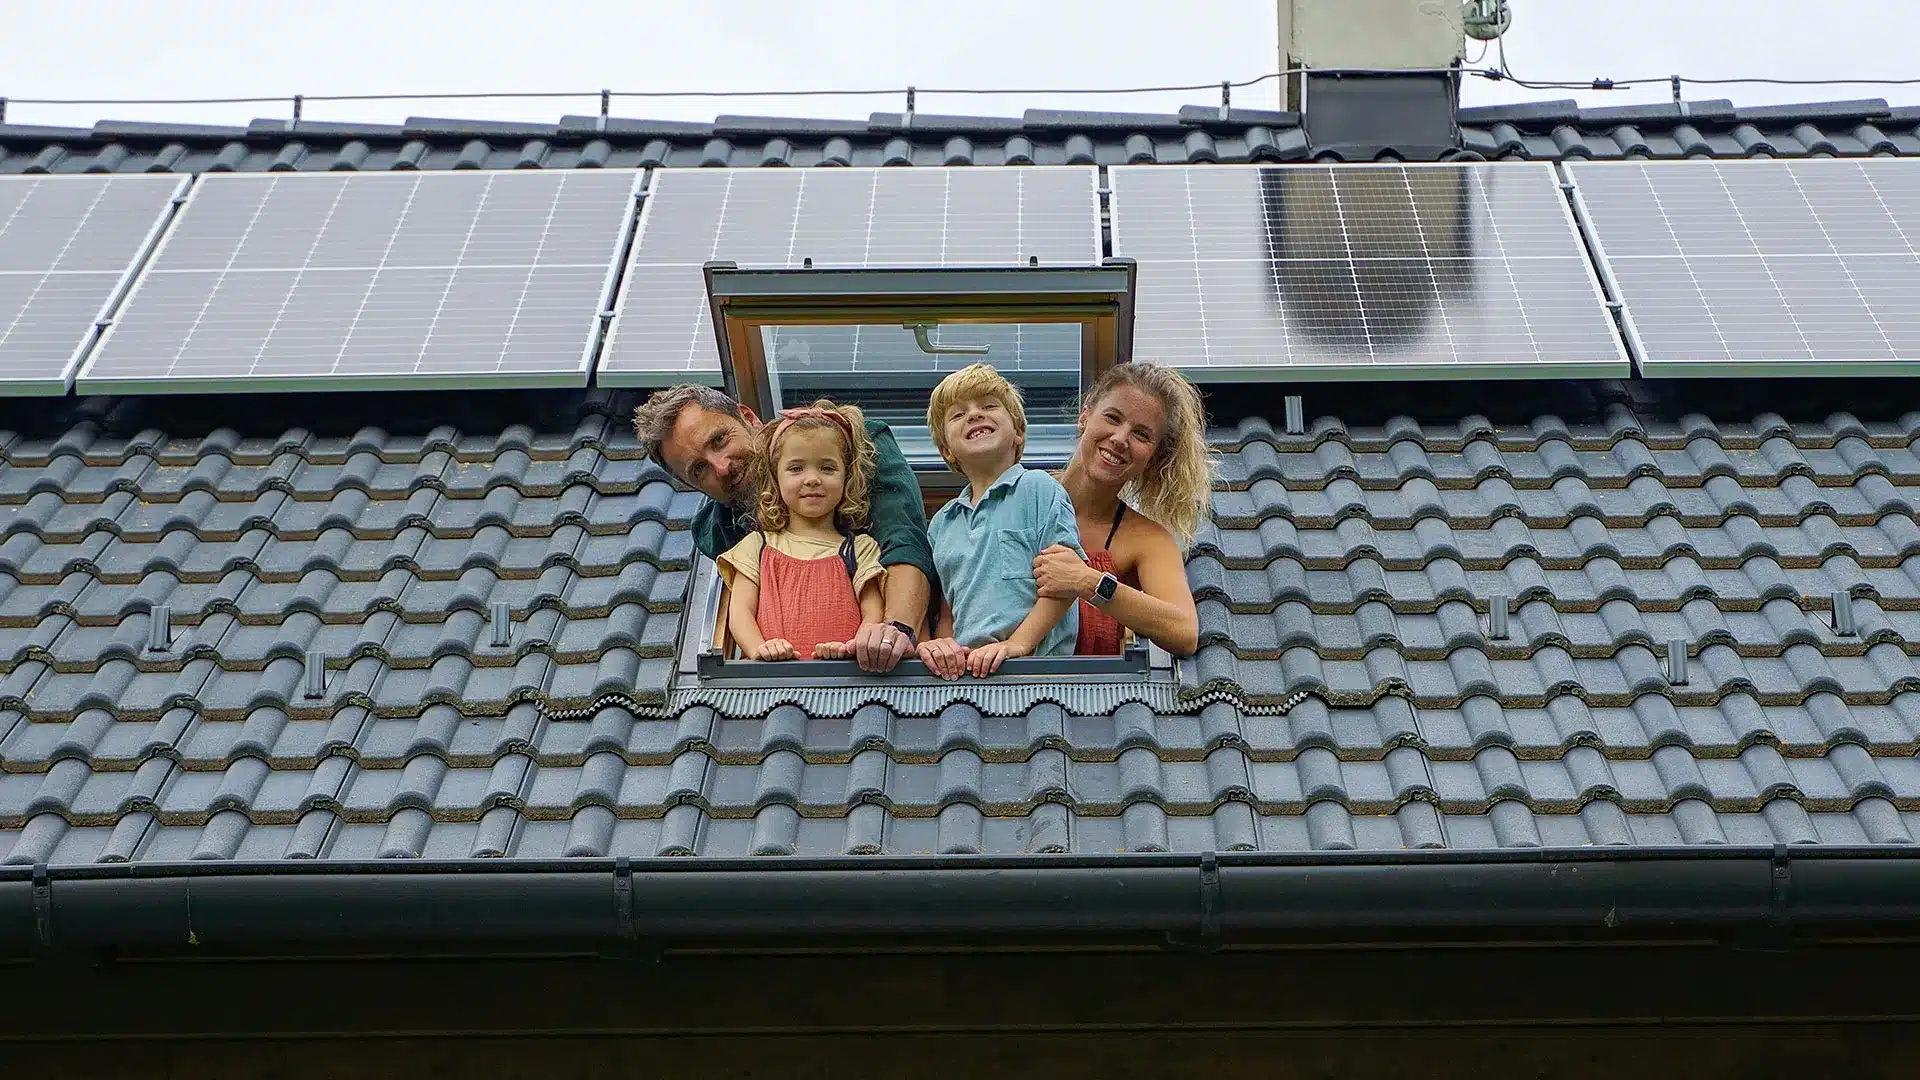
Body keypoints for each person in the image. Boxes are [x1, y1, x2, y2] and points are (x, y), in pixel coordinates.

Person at [633, 384, 933, 672]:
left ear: (749, 418)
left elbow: (904, 541)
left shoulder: (850, 443)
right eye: (699, 469)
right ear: (691, 486)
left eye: (719, 440)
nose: (722, 467)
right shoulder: (719, 532)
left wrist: (894, 632)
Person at [916, 363, 1084, 680]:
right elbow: (949, 607)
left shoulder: (1039, 488)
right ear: (947, 450)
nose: (974, 415)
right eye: (958, 414)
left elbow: (1066, 582)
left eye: (989, 406)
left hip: (1036, 671)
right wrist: (944, 648)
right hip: (967, 676)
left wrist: (1017, 645)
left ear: (1018, 432)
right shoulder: (941, 523)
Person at [1032, 363, 1209, 658]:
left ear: (1154, 458)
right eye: (1112, 418)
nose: (1120, 439)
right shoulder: (1017, 495)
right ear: (1085, 416)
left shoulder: (1147, 539)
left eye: (1141, 434)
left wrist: (1088, 581)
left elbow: (1184, 632)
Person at [716, 402, 886, 662]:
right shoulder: (758, 546)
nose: (812, 479)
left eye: (827, 468)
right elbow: (739, 614)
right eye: (796, 468)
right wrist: (760, 649)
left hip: (845, 678)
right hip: (773, 679)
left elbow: (873, 613)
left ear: (847, 477)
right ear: (776, 478)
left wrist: (853, 648)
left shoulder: (859, 548)